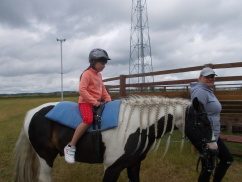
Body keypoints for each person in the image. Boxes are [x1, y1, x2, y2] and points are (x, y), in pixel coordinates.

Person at [64, 48, 112, 164]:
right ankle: (71, 146)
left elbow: (102, 88)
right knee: (88, 120)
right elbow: (82, 90)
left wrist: (108, 99)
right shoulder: (87, 74)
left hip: (97, 102)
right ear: (93, 62)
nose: (104, 65)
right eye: (102, 63)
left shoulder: (99, 75)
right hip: (85, 103)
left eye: (105, 63)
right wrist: (94, 102)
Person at [190, 67, 233, 182]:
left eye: (212, 77)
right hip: (207, 136)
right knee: (212, 165)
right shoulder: (201, 92)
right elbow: (197, 115)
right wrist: (204, 137)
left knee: (214, 164)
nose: (210, 79)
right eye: (207, 77)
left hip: (213, 134)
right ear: (200, 78)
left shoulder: (208, 91)